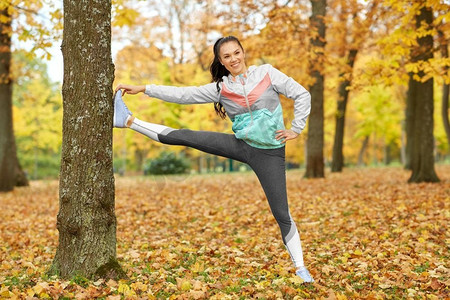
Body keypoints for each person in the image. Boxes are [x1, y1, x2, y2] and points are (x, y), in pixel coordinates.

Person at [114, 36, 314, 283]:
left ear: (243, 52)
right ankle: (127, 120)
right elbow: (182, 94)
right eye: (227, 56)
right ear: (221, 61)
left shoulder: (267, 74)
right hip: (241, 145)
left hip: (270, 153)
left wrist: (296, 128)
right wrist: (144, 88)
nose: (234, 59)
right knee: (186, 136)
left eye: (236, 53)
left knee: (281, 212)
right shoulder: (221, 88)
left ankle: (301, 268)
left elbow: (302, 94)